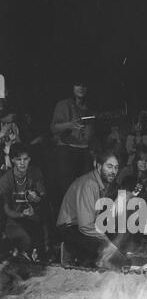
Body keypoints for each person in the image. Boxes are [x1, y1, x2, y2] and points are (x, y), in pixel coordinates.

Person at [57, 149, 128, 269]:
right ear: (99, 166)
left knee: (117, 247)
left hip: (86, 226)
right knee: (104, 255)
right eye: (109, 166)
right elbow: (85, 226)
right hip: (70, 228)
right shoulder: (89, 184)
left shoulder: (102, 183)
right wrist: (108, 243)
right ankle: (69, 250)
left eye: (116, 168)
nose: (113, 171)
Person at [51, 78, 96, 210]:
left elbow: (91, 133)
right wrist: (70, 125)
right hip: (66, 151)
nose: (81, 87)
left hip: (84, 151)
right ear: (72, 87)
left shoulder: (88, 107)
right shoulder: (63, 104)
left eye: (84, 85)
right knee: (67, 188)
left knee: (84, 188)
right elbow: (54, 127)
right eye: (78, 84)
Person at [0, 143, 47, 261]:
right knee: (24, 242)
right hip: (14, 221)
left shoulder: (35, 172)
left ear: (29, 159)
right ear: (12, 160)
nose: (22, 163)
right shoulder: (5, 180)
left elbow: (42, 195)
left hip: (34, 218)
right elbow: (6, 210)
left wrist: (36, 198)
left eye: (25, 159)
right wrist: (22, 214)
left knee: (41, 249)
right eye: (18, 159)